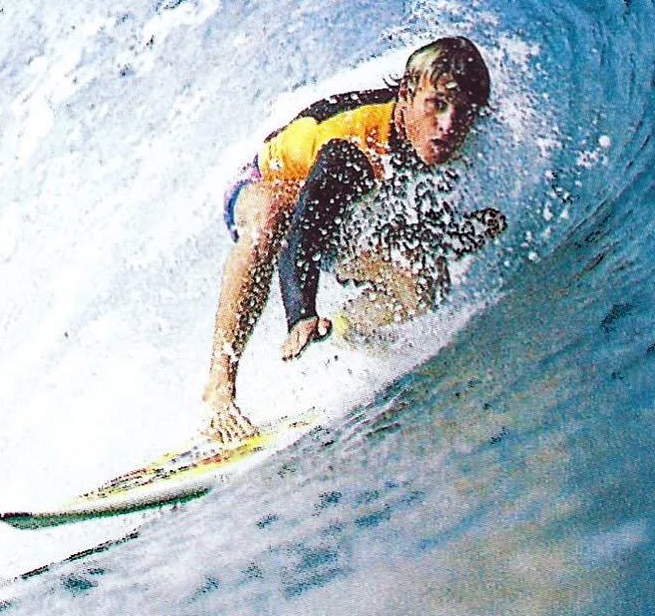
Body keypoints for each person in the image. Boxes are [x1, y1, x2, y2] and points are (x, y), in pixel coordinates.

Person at [203, 36, 505, 443]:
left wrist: (459, 235)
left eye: (462, 112)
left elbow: (416, 223)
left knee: (424, 279)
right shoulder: (353, 148)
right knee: (274, 214)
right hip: (267, 189)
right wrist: (300, 313)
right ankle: (219, 389)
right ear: (407, 97)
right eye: (436, 105)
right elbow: (302, 236)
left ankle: (352, 328)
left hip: (345, 213)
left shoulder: (441, 135)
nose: (449, 125)